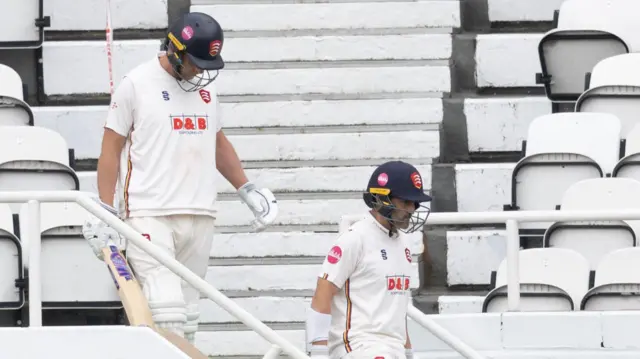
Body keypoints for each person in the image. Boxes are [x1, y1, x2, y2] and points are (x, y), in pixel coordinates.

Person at [81, 12, 278, 344]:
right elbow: (111, 148)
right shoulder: (137, 83)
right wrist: (105, 208)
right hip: (149, 212)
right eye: (196, 62)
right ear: (174, 50)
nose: (201, 70)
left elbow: (217, 142)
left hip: (201, 212)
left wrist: (246, 187)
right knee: (166, 312)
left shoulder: (207, 93)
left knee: (188, 318)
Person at [305, 160, 432, 359]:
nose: (412, 209)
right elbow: (323, 291)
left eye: (415, 203)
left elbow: (396, 305)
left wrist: (408, 351)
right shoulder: (355, 238)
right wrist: (318, 352)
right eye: (406, 202)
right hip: (358, 346)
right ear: (382, 199)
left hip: (393, 348)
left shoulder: (404, 243)